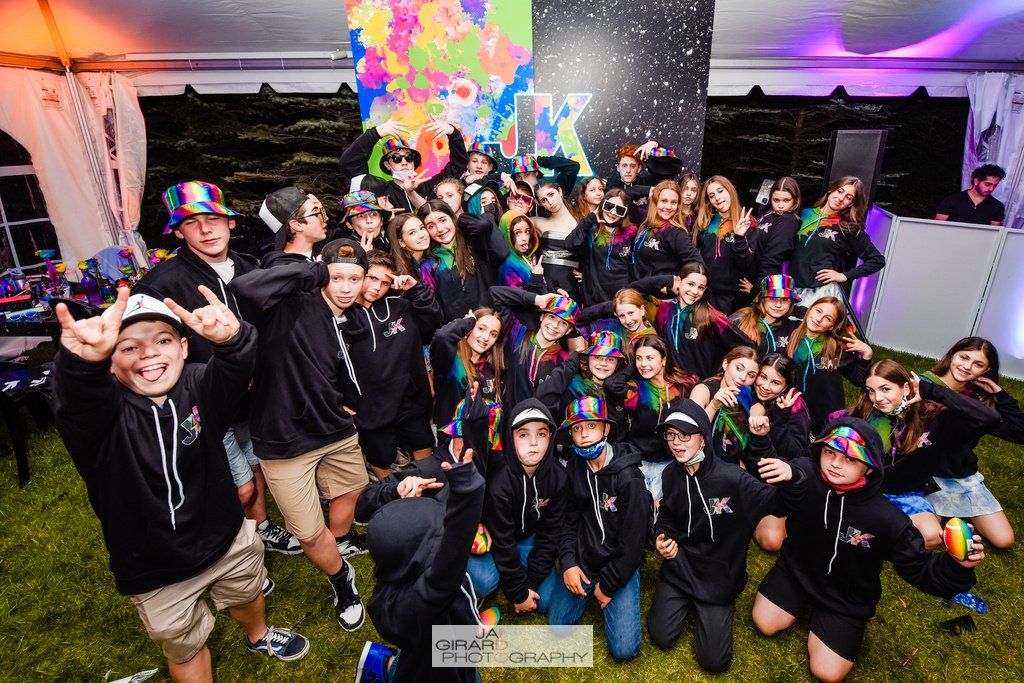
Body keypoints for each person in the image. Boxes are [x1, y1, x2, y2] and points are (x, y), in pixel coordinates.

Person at [53, 289, 309, 680]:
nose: (149, 353)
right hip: (156, 565)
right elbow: (79, 402)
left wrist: (233, 340)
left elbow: (236, 370)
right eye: (128, 347)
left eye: (163, 340)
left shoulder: (198, 386)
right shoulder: (101, 419)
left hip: (225, 537)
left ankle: (258, 635)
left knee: (247, 593)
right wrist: (80, 366)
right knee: (184, 645)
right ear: (109, 362)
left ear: (184, 347)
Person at [134, 181, 300, 556]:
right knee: (236, 486)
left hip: (258, 399)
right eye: (193, 223)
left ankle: (261, 530)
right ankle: (228, 549)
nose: (206, 230)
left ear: (230, 223)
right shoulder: (162, 284)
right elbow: (148, 352)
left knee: (256, 466)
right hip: (206, 403)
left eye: (213, 219)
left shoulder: (251, 267)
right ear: (178, 231)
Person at [752, 417, 984, 682]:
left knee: (827, 673)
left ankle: (827, 618)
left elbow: (919, 568)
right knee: (765, 623)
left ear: (870, 467)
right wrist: (786, 476)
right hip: (795, 571)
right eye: (830, 452)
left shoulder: (888, 519)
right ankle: (798, 601)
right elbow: (784, 491)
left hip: (846, 598)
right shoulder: (804, 476)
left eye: (850, 459)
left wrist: (957, 567)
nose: (836, 464)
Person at [230, 239, 370, 631]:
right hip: (285, 439)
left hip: (335, 429)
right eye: (336, 277)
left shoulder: (349, 318)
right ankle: (341, 578)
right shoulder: (291, 304)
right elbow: (244, 289)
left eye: (354, 278)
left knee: (352, 490)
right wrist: (312, 271)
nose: (345, 287)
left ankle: (338, 542)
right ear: (322, 275)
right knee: (308, 533)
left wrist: (341, 400)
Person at [649, 399, 804, 673]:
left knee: (714, 663)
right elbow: (668, 515)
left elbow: (780, 505)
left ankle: (709, 608)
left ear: (704, 438)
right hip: (681, 567)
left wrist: (792, 479)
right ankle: (686, 601)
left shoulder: (733, 479)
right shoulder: (671, 473)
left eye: (685, 435)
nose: (676, 442)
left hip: (720, 574)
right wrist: (662, 536)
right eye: (671, 435)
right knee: (660, 637)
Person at [357, 440, 486, 683]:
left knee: (414, 662)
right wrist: (470, 493)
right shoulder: (419, 602)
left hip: (441, 646)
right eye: (439, 536)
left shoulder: (401, 572)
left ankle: (384, 662)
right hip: (440, 671)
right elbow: (453, 552)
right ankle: (383, 665)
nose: (444, 537)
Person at [845, 360, 1000, 549]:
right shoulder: (863, 416)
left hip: (907, 493)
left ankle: (875, 534)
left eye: (885, 389)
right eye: (871, 390)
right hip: (867, 491)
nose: (877, 397)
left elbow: (990, 418)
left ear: (905, 388)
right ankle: (876, 532)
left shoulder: (933, 417)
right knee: (851, 528)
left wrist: (932, 391)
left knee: (933, 536)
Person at [549, 397, 649, 661]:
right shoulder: (574, 468)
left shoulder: (630, 479)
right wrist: (569, 563)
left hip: (619, 562)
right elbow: (568, 520)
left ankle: (611, 591)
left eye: (591, 426)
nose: (583, 436)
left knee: (623, 650)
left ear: (606, 429)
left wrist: (610, 584)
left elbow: (634, 542)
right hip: (584, 558)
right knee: (557, 627)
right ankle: (584, 585)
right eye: (577, 429)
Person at [345, 250, 443, 481]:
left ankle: (427, 501)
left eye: (385, 282)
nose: (377, 287)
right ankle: (393, 504)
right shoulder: (341, 314)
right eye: (372, 278)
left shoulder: (401, 307)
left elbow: (434, 320)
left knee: (425, 457)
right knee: (382, 464)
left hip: (410, 402)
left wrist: (416, 288)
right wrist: (337, 400)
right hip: (370, 409)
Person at [466, 399, 566, 614]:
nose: (533, 443)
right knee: (485, 582)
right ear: (510, 438)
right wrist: (518, 592)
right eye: (523, 434)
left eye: (541, 434)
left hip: (529, 536)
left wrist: (530, 584)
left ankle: (515, 575)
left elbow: (550, 533)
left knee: (545, 600)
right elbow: (503, 542)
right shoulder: (499, 484)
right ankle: (490, 577)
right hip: (497, 539)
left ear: (551, 437)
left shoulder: (558, 478)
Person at [921, 337, 1021, 548]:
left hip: (960, 476)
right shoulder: (924, 384)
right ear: (952, 355)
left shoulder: (978, 401)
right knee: (931, 535)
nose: (967, 367)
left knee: (1004, 540)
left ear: (985, 371)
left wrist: (1000, 394)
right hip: (925, 475)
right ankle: (945, 514)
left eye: (978, 364)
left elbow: (1019, 433)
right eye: (964, 357)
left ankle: (957, 513)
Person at [606, 335, 698, 503]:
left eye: (650, 358)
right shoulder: (637, 389)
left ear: (663, 359)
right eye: (639, 358)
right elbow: (612, 385)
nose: (643, 364)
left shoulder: (684, 385)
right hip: (639, 462)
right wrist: (632, 366)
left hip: (670, 464)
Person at [633, 262, 756, 379]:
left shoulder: (711, 316)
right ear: (679, 281)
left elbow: (746, 345)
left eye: (701, 288)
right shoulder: (662, 309)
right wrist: (667, 280)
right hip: (669, 385)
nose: (695, 292)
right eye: (690, 284)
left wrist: (723, 374)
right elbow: (632, 291)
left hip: (698, 388)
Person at [746, 353, 810, 551]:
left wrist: (781, 419)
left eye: (775, 382)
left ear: (786, 386)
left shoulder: (794, 405)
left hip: (779, 479)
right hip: (749, 472)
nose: (765, 386)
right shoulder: (746, 394)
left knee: (772, 540)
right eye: (763, 377)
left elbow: (793, 455)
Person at [339, 116, 469, 212]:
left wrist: (452, 132)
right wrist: (375, 133)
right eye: (396, 158)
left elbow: (459, 164)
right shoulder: (380, 191)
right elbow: (349, 164)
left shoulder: (431, 186)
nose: (404, 162)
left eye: (409, 157)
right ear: (387, 165)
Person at [790, 176, 884, 305]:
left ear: (851, 204)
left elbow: (877, 260)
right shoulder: (804, 214)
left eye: (848, 197)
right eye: (840, 191)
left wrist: (844, 275)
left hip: (820, 294)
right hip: (789, 289)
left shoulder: (848, 227)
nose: (841, 199)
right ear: (831, 190)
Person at [785, 296, 872, 432]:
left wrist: (867, 355)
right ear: (810, 309)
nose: (819, 319)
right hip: (791, 410)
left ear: (832, 326)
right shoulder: (788, 333)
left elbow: (858, 380)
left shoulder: (837, 347)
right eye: (818, 311)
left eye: (828, 318)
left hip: (824, 416)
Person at [489, 287, 584, 409]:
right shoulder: (516, 333)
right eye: (552, 317)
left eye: (563, 323)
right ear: (542, 316)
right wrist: (536, 299)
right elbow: (495, 293)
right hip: (505, 421)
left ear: (568, 331)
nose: (555, 325)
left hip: (536, 424)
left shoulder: (564, 362)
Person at [417, 199, 508, 323]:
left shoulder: (472, 244)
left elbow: (501, 252)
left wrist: (461, 219)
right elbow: (434, 308)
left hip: (489, 322)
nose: (440, 229)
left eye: (443, 220)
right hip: (459, 331)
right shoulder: (428, 264)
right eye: (431, 226)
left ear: (452, 217)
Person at [536, 330, 629, 437]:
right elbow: (542, 401)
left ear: (617, 363)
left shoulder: (622, 389)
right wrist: (569, 366)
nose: (603, 363)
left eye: (610, 359)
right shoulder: (573, 387)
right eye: (597, 357)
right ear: (587, 358)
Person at [429, 308, 504, 428]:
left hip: (483, 441)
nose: (486, 337)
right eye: (481, 329)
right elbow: (442, 336)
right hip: (451, 441)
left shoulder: (492, 368)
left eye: (493, 334)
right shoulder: (450, 360)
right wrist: (468, 322)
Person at [693, 175, 757, 313]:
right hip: (703, 292)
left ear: (730, 190)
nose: (717, 197)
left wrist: (739, 236)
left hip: (730, 298)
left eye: (720, 191)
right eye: (712, 195)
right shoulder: (706, 222)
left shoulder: (747, 222)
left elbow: (746, 263)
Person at [565, 188, 638, 306]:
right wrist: (590, 219)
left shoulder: (632, 232)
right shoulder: (592, 229)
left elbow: (635, 265)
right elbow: (570, 244)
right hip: (593, 297)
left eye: (619, 209)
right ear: (602, 205)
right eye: (609, 206)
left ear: (625, 212)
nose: (613, 212)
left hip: (620, 298)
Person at [689, 346, 761, 466]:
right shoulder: (703, 390)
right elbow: (691, 430)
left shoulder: (747, 398)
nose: (743, 378)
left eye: (751, 375)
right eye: (739, 368)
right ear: (725, 364)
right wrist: (713, 405)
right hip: (702, 465)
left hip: (731, 467)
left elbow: (757, 407)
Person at [738, 177, 801, 309]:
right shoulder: (769, 214)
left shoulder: (787, 221)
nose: (780, 205)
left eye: (786, 200)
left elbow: (772, 259)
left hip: (758, 285)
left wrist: (757, 290)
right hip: (749, 276)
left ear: (795, 200)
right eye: (776, 200)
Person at [630, 180, 703, 280]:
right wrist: (648, 190)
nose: (668, 207)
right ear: (655, 201)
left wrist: (675, 283)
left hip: (657, 294)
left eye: (673, 202)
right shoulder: (647, 223)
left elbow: (698, 264)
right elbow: (622, 195)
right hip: (639, 290)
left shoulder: (675, 232)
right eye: (664, 201)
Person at [730, 274, 806, 356]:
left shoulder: (793, 327)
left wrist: (792, 310)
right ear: (762, 300)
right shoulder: (743, 317)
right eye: (772, 298)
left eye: (785, 299)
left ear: (791, 303)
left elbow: (816, 316)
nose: (778, 305)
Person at [533, 179, 583, 299]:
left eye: (551, 194)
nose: (550, 202)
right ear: (539, 203)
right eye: (543, 200)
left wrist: (588, 274)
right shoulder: (537, 222)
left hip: (573, 285)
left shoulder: (582, 221)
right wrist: (505, 183)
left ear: (559, 191)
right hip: (547, 286)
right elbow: (509, 222)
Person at [258, 186, 331, 266]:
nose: (325, 218)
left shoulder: (323, 256)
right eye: (316, 213)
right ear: (296, 225)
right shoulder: (286, 272)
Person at [935, 164, 1006, 226]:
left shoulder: (997, 206)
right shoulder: (952, 200)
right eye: (987, 184)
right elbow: (938, 227)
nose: (991, 189)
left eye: (995, 186)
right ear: (976, 181)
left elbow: (996, 234)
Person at [496, 210, 543, 290]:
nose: (524, 238)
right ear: (507, 235)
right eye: (517, 233)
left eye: (527, 231)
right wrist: (535, 279)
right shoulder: (507, 266)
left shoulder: (525, 256)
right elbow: (518, 299)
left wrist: (555, 288)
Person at [386, 213, 430, 277]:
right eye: (412, 233)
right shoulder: (397, 272)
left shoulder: (434, 259)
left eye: (422, 228)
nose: (422, 235)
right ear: (401, 242)